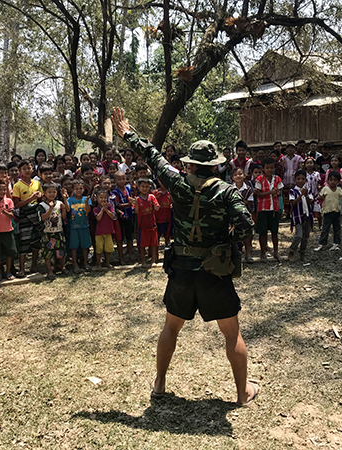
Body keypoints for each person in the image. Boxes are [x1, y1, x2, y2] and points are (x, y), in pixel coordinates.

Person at [112, 107, 258, 406]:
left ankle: (160, 384)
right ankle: (242, 394)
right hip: (214, 271)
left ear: (190, 165)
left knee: (170, 327)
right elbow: (246, 226)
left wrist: (127, 133)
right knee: (231, 333)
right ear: (215, 167)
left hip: (181, 267)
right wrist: (224, 240)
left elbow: (153, 156)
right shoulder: (228, 192)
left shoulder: (176, 183)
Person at [12, 159, 44, 277]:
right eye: (24, 169)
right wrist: (30, 199)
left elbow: (41, 199)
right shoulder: (17, 185)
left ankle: (34, 265)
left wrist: (40, 197)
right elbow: (17, 204)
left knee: (36, 241)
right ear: (20, 171)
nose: (27, 170)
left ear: (33, 169)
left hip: (36, 214)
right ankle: (22, 269)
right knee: (24, 241)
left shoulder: (37, 184)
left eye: (29, 168)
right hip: (25, 216)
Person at [38, 182, 70, 279]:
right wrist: (50, 208)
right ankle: (49, 271)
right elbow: (43, 218)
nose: (52, 194)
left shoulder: (59, 203)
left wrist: (64, 202)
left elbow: (65, 214)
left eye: (54, 192)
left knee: (60, 251)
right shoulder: (42, 205)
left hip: (58, 231)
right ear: (44, 193)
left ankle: (62, 267)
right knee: (47, 253)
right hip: (47, 233)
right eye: (49, 192)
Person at [254, 158, 283, 262]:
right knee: (263, 232)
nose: (269, 170)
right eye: (267, 168)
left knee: (275, 232)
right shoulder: (259, 179)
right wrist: (270, 192)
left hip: (274, 209)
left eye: (271, 168)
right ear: (263, 168)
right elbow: (258, 194)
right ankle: (263, 253)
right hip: (263, 208)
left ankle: (276, 252)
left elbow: (279, 192)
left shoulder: (277, 179)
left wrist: (277, 193)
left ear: (274, 168)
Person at [315, 171, 342, 251]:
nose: (332, 182)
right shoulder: (325, 189)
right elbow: (320, 196)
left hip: (336, 212)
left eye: (335, 180)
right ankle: (322, 243)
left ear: (338, 181)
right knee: (325, 229)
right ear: (328, 180)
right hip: (327, 212)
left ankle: (336, 244)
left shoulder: (339, 189)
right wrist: (320, 198)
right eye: (331, 180)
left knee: (337, 228)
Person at [133, 178, 160, 266]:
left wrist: (156, 206)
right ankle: (143, 260)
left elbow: (157, 205)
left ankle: (153, 260)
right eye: (142, 186)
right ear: (139, 187)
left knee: (153, 244)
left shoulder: (152, 197)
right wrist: (136, 204)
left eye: (146, 187)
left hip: (152, 225)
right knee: (142, 245)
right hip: (142, 226)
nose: (144, 188)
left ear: (149, 187)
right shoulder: (137, 199)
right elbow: (136, 211)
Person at [288, 170, 314, 262]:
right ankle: (292, 250)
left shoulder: (308, 190)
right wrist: (300, 195)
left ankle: (302, 253)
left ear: (306, 180)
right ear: (295, 180)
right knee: (298, 235)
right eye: (298, 179)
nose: (300, 181)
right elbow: (292, 203)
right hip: (297, 216)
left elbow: (310, 202)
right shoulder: (292, 191)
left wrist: (306, 195)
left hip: (307, 215)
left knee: (306, 236)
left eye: (302, 179)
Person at [67, 179, 92, 273]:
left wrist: (86, 203)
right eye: (76, 189)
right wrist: (65, 199)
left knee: (85, 246)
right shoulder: (70, 200)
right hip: (73, 227)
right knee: (74, 247)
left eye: (81, 188)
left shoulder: (86, 199)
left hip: (84, 226)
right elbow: (68, 210)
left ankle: (85, 262)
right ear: (72, 189)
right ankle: (75, 264)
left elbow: (88, 211)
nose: (79, 190)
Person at [232, 168, 254, 262]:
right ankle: (235, 254)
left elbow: (250, 201)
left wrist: (238, 202)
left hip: (246, 214)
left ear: (244, 175)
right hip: (233, 215)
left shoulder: (248, 189)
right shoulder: (230, 188)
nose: (238, 176)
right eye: (235, 174)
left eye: (240, 174)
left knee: (247, 234)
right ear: (232, 177)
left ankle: (247, 253)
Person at [113, 171, 134, 262]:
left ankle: (131, 253)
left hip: (129, 216)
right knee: (120, 238)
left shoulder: (128, 189)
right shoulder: (115, 192)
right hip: (120, 217)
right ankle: (121, 257)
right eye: (119, 179)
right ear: (115, 180)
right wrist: (128, 204)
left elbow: (132, 198)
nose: (122, 181)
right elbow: (116, 205)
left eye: (123, 179)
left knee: (130, 236)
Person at [93, 186, 116, 270]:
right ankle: (99, 263)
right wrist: (102, 210)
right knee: (99, 249)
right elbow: (98, 218)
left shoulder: (110, 207)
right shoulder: (95, 209)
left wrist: (106, 210)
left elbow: (112, 216)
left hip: (108, 231)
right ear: (96, 198)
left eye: (105, 197)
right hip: (99, 232)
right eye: (101, 198)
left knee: (108, 249)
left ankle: (107, 263)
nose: (103, 199)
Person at [155, 183, 173, 249]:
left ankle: (167, 254)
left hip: (167, 219)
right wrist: (156, 198)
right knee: (156, 238)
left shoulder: (170, 193)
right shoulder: (155, 193)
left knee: (167, 237)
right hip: (157, 219)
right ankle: (154, 254)